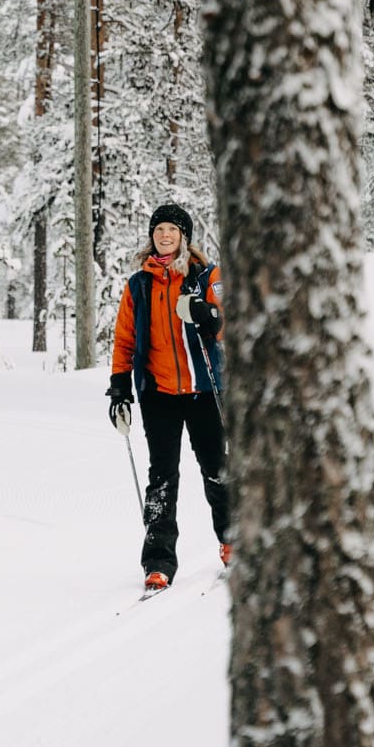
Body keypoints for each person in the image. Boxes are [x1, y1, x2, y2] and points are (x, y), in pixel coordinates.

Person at [106, 203, 227, 592]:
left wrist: (208, 315)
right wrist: (120, 386)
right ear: (152, 236)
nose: (165, 236)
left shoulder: (206, 276)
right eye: (159, 230)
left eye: (172, 230)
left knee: (216, 469)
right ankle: (158, 562)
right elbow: (125, 339)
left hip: (203, 389)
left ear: (184, 237)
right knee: (161, 478)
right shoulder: (139, 284)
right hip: (158, 393)